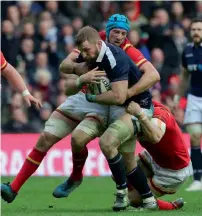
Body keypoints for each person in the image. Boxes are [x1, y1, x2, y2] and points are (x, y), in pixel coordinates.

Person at [126, 100, 192, 210]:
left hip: (173, 171)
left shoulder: (158, 115)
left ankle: (171, 206)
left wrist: (140, 115)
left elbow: (155, 137)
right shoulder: (140, 105)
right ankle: (139, 192)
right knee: (120, 172)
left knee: (134, 199)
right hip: (154, 158)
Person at [174, 17, 202, 191]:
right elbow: (184, 76)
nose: (196, 33)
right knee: (194, 137)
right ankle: (198, 179)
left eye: (199, 29)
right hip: (194, 97)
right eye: (194, 30)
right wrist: (178, 96)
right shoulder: (187, 51)